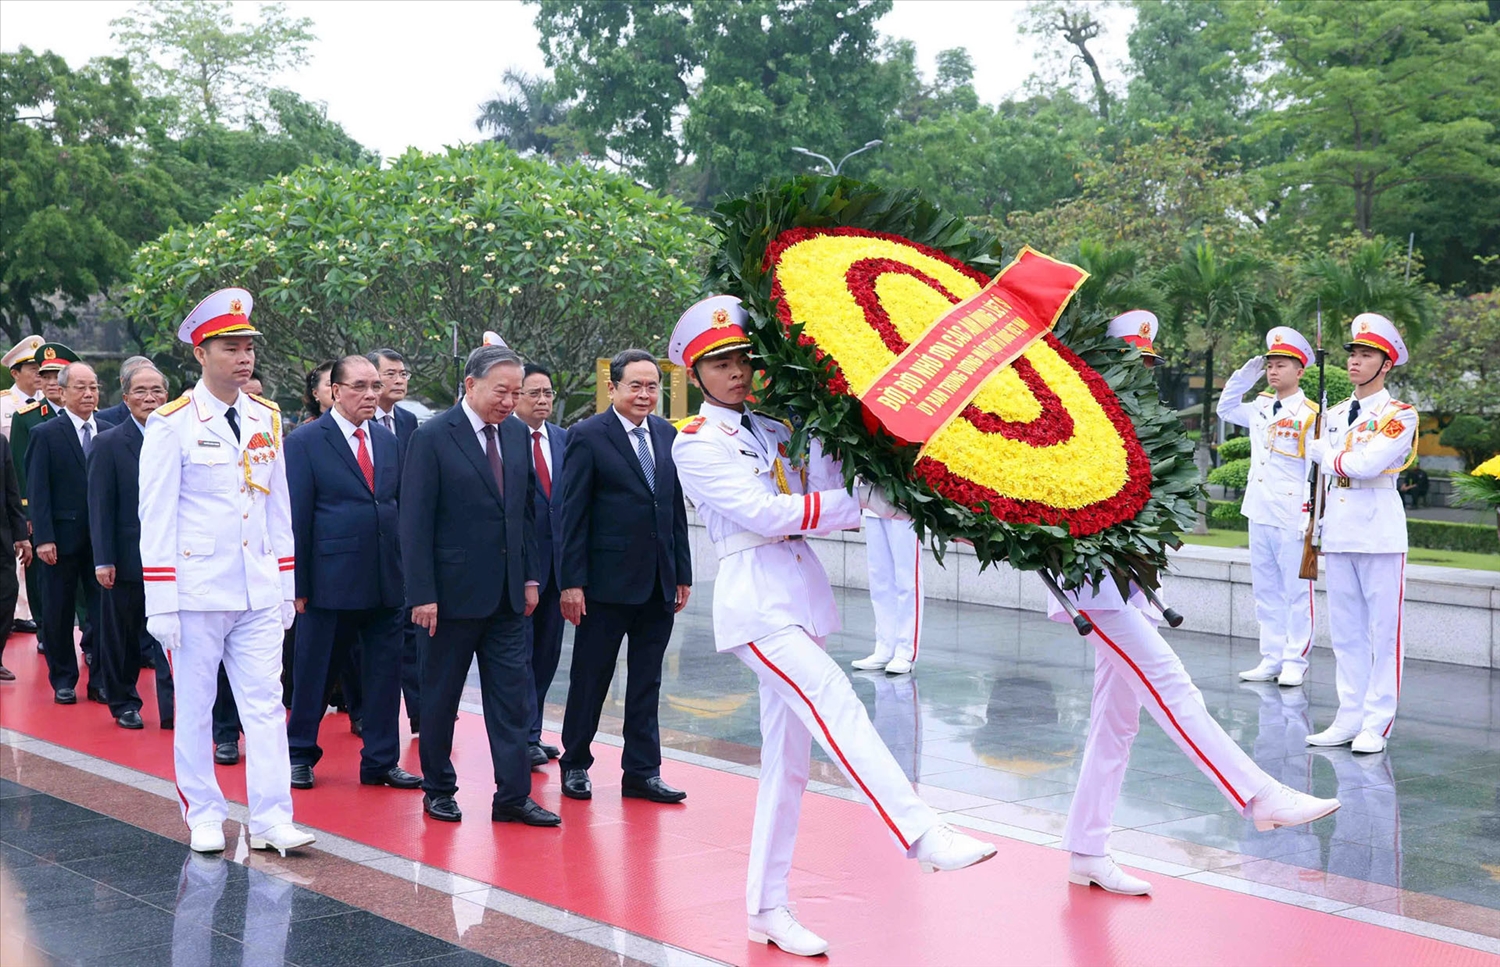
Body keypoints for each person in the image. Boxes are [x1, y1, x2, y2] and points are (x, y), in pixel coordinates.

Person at [669, 296, 996, 958]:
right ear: (695, 373)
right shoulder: (696, 442)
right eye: (720, 363)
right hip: (756, 603)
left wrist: (855, 434)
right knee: (834, 700)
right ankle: (918, 830)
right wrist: (857, 502)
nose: (736, 372)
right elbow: (764, 512)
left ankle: (766, 906)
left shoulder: (771, 427)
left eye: (742, 359)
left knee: (786, 767)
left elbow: (824, 477)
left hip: (796, 598)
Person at [1053, 311, 1340, 898]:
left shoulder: (1124, 420)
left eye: (1148, 363)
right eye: (1134, 361)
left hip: (1125, 583)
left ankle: (1087, 847)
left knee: (1117, 722)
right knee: (1172, 685)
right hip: (1094, 588)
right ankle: (1258, 795)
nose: (1143, 372)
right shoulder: (1077, 418)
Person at [138, 287, 315, 856]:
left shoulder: (266, 416)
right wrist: (160, 602)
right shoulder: (173, 423)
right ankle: (204, 813)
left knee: (265, 703)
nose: (244, 357)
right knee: (194, 704)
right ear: (200, 353)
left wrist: (286, 587)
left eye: (248, 347)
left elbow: (278, 507)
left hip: (257, 586)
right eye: (230, 347)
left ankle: (270, 818)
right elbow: (155, 516)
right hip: (196, 590)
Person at [399, 344, 556, 827]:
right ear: (470, 385)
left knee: (511, 700)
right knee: (441, 698)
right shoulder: (433, 437)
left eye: (517, 392)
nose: (510, 401)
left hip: (508, 596)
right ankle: (439, 788)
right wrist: (422, 593)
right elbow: (414, 520)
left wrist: (531, 577)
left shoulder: (515, 434)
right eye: (501, 391)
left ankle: (512, 795)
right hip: (448, 598)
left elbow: (525, 514)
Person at [556, 349, 691, 805]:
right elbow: (570, 515)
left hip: (657, 582)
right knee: (591, 678)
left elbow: (673, 509)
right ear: (612, 388)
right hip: (604, 586)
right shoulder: (587, 436)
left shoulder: (668, 435)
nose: (645, 394)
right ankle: (574, 762)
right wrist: (571, 582)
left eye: (652, 386)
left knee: (647, 680)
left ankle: (642, 771)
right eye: (635, 385)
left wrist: (682, 573)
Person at [284, 355, 418, 791]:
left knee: (384, 674)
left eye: (375, 386)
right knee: (314, 672)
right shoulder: (305, 441)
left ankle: (380, 760)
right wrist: (298, 585)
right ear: (336, 391)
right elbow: (297, 517)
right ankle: (299, 754)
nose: (370, 394)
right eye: (359, 386)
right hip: (329, 581)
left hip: (385, 579)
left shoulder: (390, 440)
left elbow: (397, 507)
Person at [1305, 313, 1418, 755]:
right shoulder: (1333, 414)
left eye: (1366, 354)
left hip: (1379, 532)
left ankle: (1377, 722)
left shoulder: (1399, 415)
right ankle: (1349, 715)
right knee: (1347, 632)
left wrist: (1326, 455)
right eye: (1353, 353)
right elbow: (1324, 477)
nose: (1355, 361)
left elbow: (1367, 465)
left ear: (1385, 364)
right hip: (1340, 529)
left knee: (1383, 632)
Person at [1218, 326, 1320, 688]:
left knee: (1296, 591)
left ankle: (1295, 659)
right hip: (1259, 508)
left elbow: (1316, 469)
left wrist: (1313, 515)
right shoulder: (1261, 407)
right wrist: (1243, 376)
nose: (1274, 371)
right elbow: (1226, 409)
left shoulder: (1311, 414)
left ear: (1300, 370)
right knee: (1266, 590)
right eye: (1270, 365)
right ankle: (1271, 656)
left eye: (1282, 365)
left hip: (1294, 511)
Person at [88, 363, 175, 728]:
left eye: (156, 390)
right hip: (126, 557)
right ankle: (123, 701)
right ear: (125, 398)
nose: (149, 397)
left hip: (173, 557)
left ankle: (173, 710)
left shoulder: (179, 438)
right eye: (140, 391)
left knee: (170, 637)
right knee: (122, 635)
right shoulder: (108, 442)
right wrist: (104, 559)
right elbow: (100, 505)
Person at [27, 360, 105, 705]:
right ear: (62, 390)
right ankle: (63, 678)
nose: (88, 394)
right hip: (60, 539)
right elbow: (38, 489)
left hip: (103, 541)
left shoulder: (108, 429)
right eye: (80, 387)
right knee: (59, 612)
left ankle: (102, 679)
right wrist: (43, 537)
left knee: (105, 613)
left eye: (93, 387)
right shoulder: (45, 433)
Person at [513, 362, 566, 766]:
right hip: (519, 568)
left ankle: (533, 731)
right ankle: (520, 735)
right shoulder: (506, 440)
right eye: (534, 393)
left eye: (548, 393)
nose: (543, 400)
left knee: (547, 653)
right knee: (520, 654)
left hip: (560, 569)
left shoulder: (566, 440)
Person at [367, 348, 420, 732]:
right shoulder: (359, 421)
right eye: (392, 373)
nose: (399, 380)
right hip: (364, 543)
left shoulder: (408, 421)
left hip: (404, 541)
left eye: (404, 373)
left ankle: (420, 711)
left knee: (411, 631)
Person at [11, 342, 75, 655]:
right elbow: (20, 471)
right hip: (41, 512)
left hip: (78, 513)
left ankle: (88, 636)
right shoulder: (27, 418)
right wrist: (27, 515)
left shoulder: (90, 417)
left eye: (56, 375)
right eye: (44, 375)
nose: (50, 381)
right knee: (41, 578)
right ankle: (45, 630)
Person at [1, 335, 44, 637]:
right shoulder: (4, 404)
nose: (38, 374)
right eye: (31, 368)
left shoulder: (49, 404)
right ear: (15, 373)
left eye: (41, 367)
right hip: (9, 490)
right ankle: (18, 612)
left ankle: (33, 611)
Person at [851, 514, 924, 674]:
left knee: (907, 575)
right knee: (879, 576)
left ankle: (906, 651)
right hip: (873, 500)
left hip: (906, 503)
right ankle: (885, 647)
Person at [0, 432, 32, 681]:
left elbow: (12, 490)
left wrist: (21, 535)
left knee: (7, 593)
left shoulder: (1, 443)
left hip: (2, 538)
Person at [95, 356, 155, 428]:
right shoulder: (103, 419)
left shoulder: (168, 419)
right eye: (138, 378)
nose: (146, 383)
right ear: (123, 382)